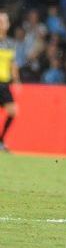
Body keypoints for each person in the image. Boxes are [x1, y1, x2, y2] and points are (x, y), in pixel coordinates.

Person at [0, 11, 19, 152]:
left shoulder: (10, 43)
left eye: (4, 21)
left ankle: (1, 141)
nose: (2, 23)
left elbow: (13, 63)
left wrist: (17, 80)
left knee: (12, 111)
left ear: (8, 25)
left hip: (4, 83)